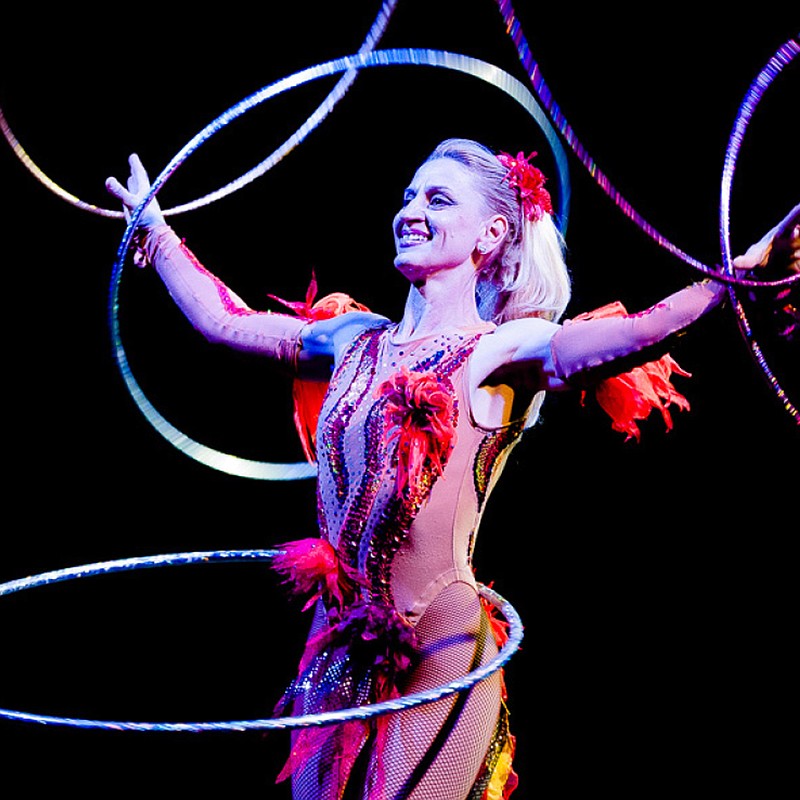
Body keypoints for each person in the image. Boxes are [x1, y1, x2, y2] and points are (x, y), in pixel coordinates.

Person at [105, 139, 798, 800]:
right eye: (409, 195)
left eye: (438, 200)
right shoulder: (349, 338)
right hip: (335, 642)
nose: (411, 211)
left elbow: (633, 334)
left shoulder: (503, 351)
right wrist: (157, 232)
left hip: (440, 637)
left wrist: (743, 270)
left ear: (490, 235)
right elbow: (225, 322)